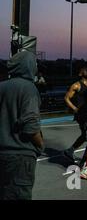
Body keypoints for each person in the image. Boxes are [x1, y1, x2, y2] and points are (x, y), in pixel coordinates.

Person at [0, 51, 44, 199]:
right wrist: (40, 145)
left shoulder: (2, 86)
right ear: (28, 66)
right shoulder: (28, 88)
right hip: (20, 156)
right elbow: (30, 125)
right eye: (35, 63)